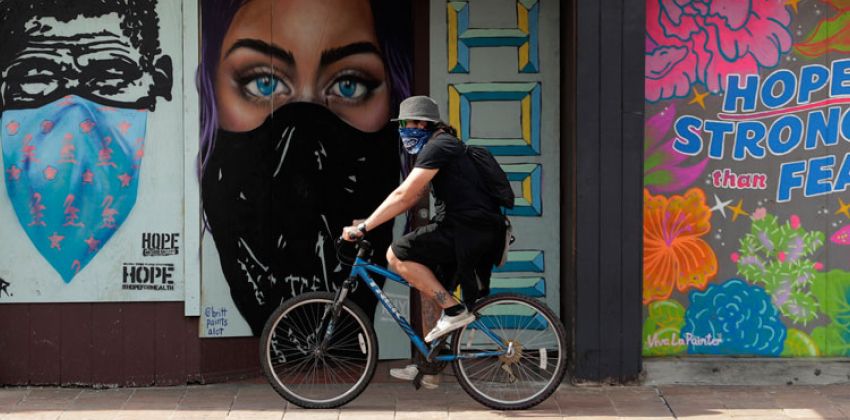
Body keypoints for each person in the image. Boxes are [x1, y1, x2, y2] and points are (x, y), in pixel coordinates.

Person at [198, 0, 412, 335]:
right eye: (263, 82)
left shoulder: (437, 154)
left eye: (349, 84)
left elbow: (409, 194)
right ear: (210, 94)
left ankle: (449, 315)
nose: (303, 186)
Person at [342, 95, 505, 387]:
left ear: (422, 124)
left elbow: (404, 194)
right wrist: (370, 221)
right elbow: (413, 196)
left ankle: (454, 311)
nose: (403, 131)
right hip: (469, 229)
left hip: (466, 230)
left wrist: (365, 227)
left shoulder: (439, 146)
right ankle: (429, 368)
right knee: (430, 287)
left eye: (406, 125)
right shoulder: (440, 146)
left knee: (396, 254)